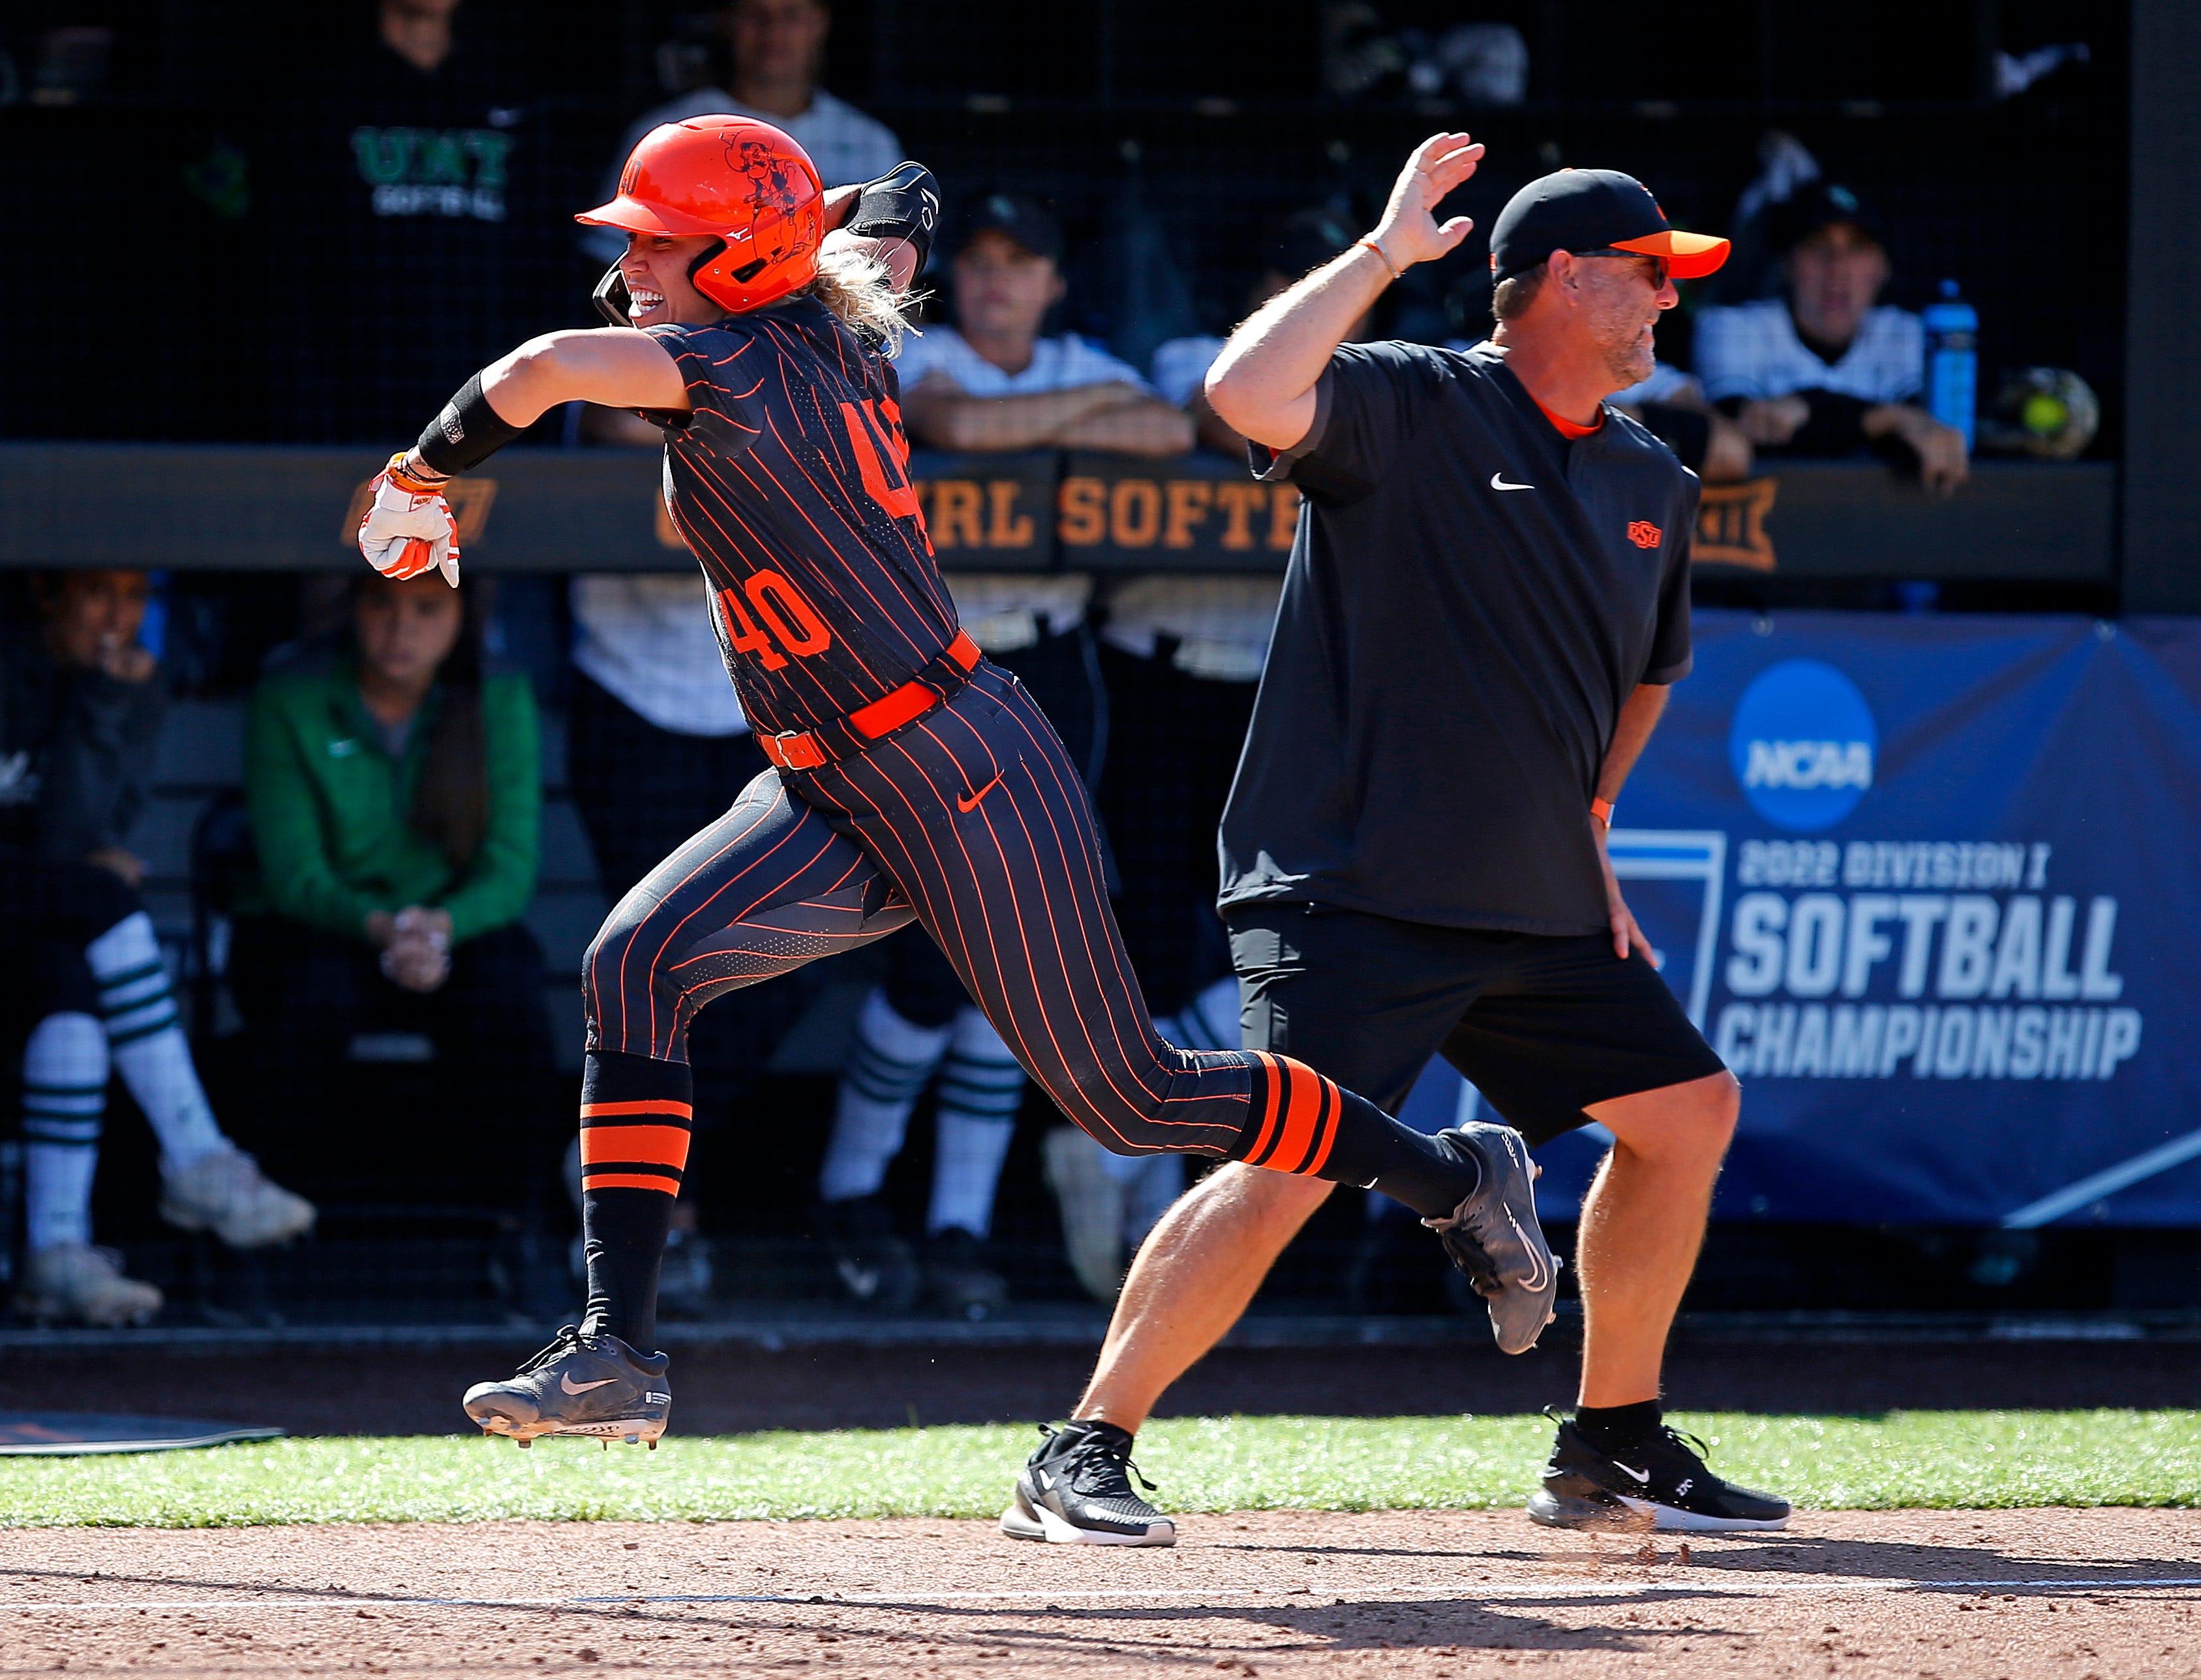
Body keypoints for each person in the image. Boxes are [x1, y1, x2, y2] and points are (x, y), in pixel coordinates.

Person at [349, 117, 1547, 1446]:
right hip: (831, 777)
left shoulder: (737, 358)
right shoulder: (830, 310)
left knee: (1134, 1095)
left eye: (658, 245)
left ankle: (1452, 1174)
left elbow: (539, 367)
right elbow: (909, 193)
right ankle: (614, 1349)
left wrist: (419, 475)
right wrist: (801, 215)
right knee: (633, 964)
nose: (631, 265)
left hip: (955, 765)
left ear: (741, 263)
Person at [995, 142, 1791, 1548]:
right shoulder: (1409, 397)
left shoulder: (1652, 476)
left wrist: (1590, 826)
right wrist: (1379, 257)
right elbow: (1240, 393)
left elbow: (1649, 675)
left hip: (1533, 894)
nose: (1667, 302)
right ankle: (1082, 1444)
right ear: (1559, 276)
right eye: (1648, 273)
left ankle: (1610, 1438)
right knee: (1289, 1159)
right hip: (1347, 882)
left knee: (1688, 1116)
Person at [809, 191, 1185, 1320]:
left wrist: (1057, 413)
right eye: (977, 260)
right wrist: (1072, 424)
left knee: (1010, 947)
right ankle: (849, 1192)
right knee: (925, 954)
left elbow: (1168, 426)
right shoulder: (908, 348)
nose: (995, 281)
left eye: (1020, 262)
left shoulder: (1080, 354)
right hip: (923, 672)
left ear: (1054, 279)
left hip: (1052, 670)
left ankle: (957, 1219)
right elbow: (950, 422)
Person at [1, 572, 314, 1326]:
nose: (119, 616)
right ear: (50, 593)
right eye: (98, 593)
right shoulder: (9, 667)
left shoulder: (124, 685)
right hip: (36, 895)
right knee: (104, 899)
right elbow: (76, 863)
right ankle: (196, 1154)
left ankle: (57, 1250)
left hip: (32, 916)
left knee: (72, 996)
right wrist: (72, 871)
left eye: (135, 595)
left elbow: (74, 837)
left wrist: (109, 701)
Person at [230, 572, 558, 1244]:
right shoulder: (290, 691)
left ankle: (515, 1219)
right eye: (382, 603)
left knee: (512, 984)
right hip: (325, 927)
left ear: (465, 612)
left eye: (428, 607)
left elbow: (510, 870)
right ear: (352, 605)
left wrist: (438, 927)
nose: (402, 629)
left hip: (447, 927)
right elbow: (294, 876)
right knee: (305, 990)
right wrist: (383, 928)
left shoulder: (499, 693)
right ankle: (278, 1217)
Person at [256, 0, 562, 442]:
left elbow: (544, 259)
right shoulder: (317, 96)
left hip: (487, 402)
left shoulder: (515, 97)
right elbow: (285, 261)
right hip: (349, 400)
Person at [581, 0, 902, 270]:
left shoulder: (870, 140)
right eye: (755, 15)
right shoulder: (669, 132)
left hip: (831, 330)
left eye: (791, 15)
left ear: (820, 23)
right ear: (727, 23)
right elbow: (615, 261)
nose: (773, 31)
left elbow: (902, 274)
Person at [1693, 180, 1967, 492]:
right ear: (1787, 264)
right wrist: (1891, 419)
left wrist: (1807, 409)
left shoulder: (1909, 333)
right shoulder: (1731, 326)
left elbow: (1929, 425)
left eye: (1857, 248)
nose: (1837, 267)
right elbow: (1742, 423)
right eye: (1818, 246)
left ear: (1883, 268)